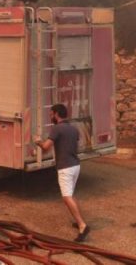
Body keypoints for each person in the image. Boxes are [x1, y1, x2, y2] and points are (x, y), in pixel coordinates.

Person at [35, 103, 90, 242]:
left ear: (56, 114)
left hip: (65, 168)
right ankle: (79, 221)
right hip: (75, 165)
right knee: (70, 195)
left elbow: (46, 147)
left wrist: (38, 142)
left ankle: (82, 225)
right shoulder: (73, 129)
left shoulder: (57, 129)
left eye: (51, 114)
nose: (50, 116)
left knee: (66, 197)